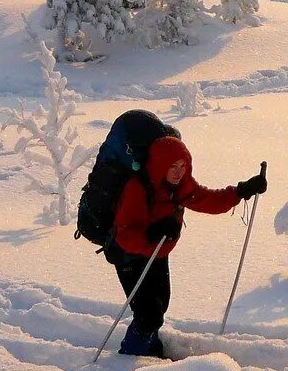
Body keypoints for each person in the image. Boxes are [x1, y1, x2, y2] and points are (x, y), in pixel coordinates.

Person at [109, 134, 267, 357]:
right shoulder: (138, 187)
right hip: (129, 257)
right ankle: (130, 355)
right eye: (173, 166)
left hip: (158, 253)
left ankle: (149, 348)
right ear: (160, 164)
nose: (179, 172)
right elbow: (124, 235)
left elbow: (208, 200)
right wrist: (152, 234)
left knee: (160, 305)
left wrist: (241, 191)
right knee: (148, 314)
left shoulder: (180, 187)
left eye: (183, 165)